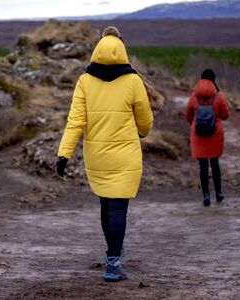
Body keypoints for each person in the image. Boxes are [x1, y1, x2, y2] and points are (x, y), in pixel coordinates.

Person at [55, 26, 154, 282]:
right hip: (125, 154)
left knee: (105, 204)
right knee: (119, 209)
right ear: (122, 49)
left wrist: (64, 153)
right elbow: (145, 121)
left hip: (97, 155)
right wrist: (141, 132)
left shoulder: (85, 81)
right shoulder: (133, 81)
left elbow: (74, 121)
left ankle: (112, 255)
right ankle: (113, 262)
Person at [185, 69, 229, 207]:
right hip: (215, 134)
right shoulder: (219, 96)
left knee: (203, 166)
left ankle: (206, 196)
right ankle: (219, 193)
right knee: (215, 164)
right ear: (213, 80)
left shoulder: (193, 96)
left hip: (198, 135)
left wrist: (194, 124)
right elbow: (225, 115)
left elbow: (188, 116)